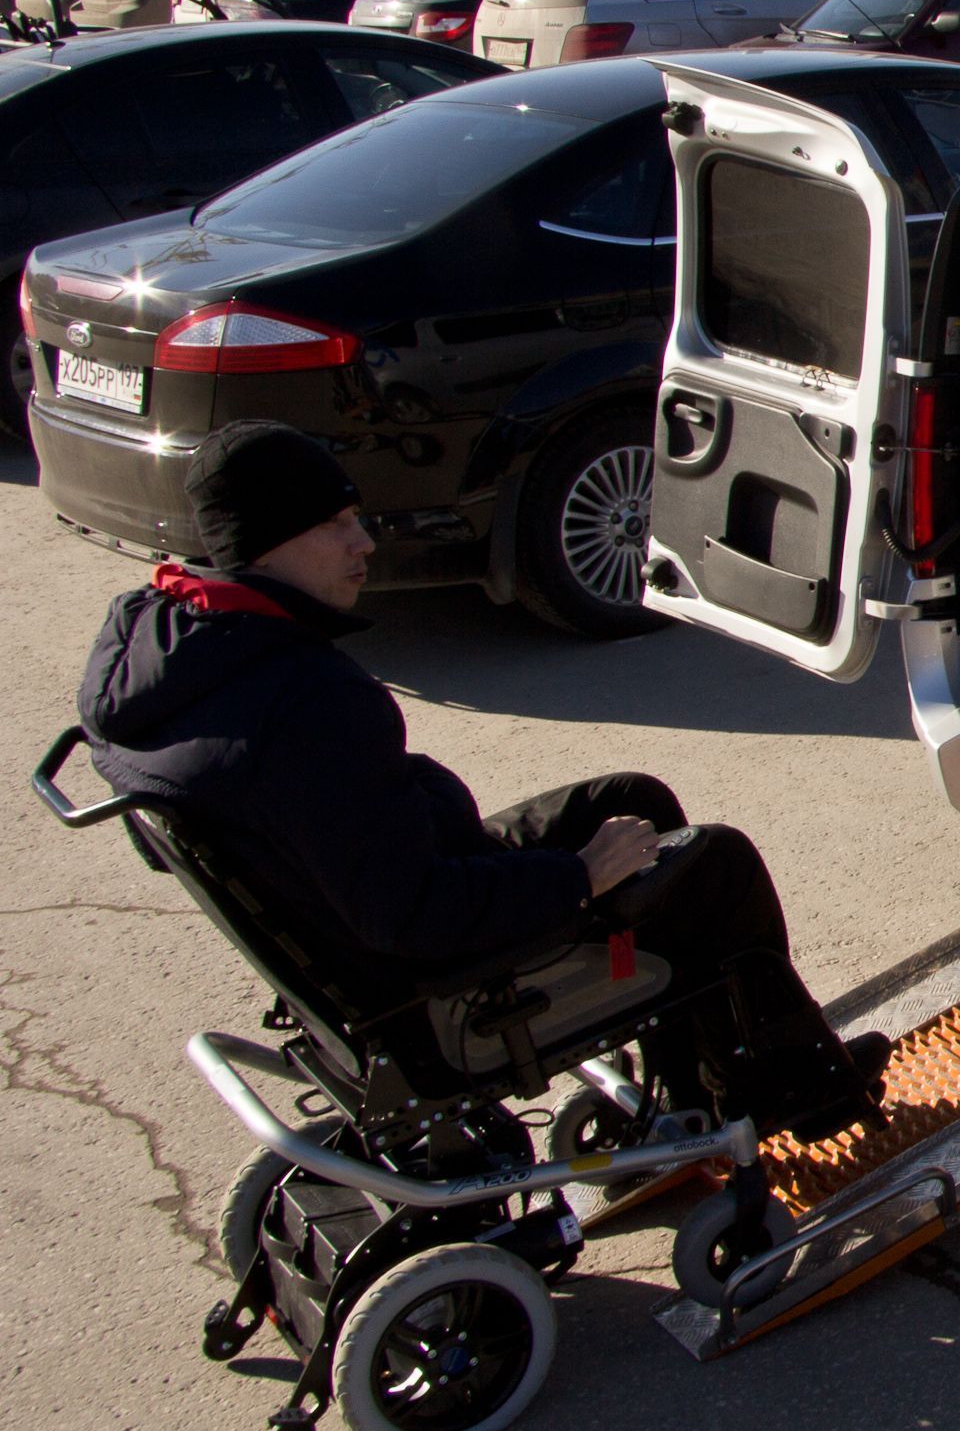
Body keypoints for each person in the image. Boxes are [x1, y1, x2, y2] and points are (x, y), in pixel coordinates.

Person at [76, 421, 884, 1140]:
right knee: (713, 866)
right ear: (264, 545)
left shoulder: (165, 646)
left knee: (631, 803)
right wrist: (575, 877)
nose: (364, 543)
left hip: (365, 911)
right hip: (431, 989)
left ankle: (701, 1087)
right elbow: (413, 915)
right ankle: (799, 1095)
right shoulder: (308, 704)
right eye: (335, 525)